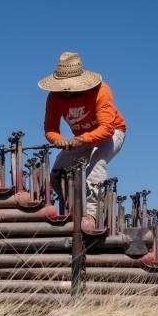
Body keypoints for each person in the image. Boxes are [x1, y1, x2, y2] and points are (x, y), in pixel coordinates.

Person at [38, 51, 127, 209]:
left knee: (95, 166)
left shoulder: (101, 90)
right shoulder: (54, 97)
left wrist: (82, 139)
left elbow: (107, 129)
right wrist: (56, 139)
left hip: (112, 133)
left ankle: (92, 214)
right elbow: (50, 128)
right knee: (57, 175)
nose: (66, 91)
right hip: (82, 138)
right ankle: (72, 209)